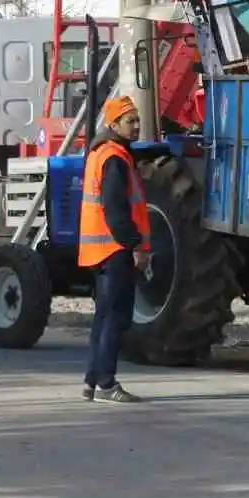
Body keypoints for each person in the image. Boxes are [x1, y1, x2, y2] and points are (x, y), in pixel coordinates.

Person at [77, 95, 151, 404]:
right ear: (113, 124)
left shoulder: (105, 152)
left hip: (103, 250)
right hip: (114, 250)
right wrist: (135, 245)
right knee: (115, 318)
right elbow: (116, 210)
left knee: (104, 316)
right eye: (129, 121)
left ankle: (93, 381)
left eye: (137, 120)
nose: (136, 126)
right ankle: (106, 383)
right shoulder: (114, 157)